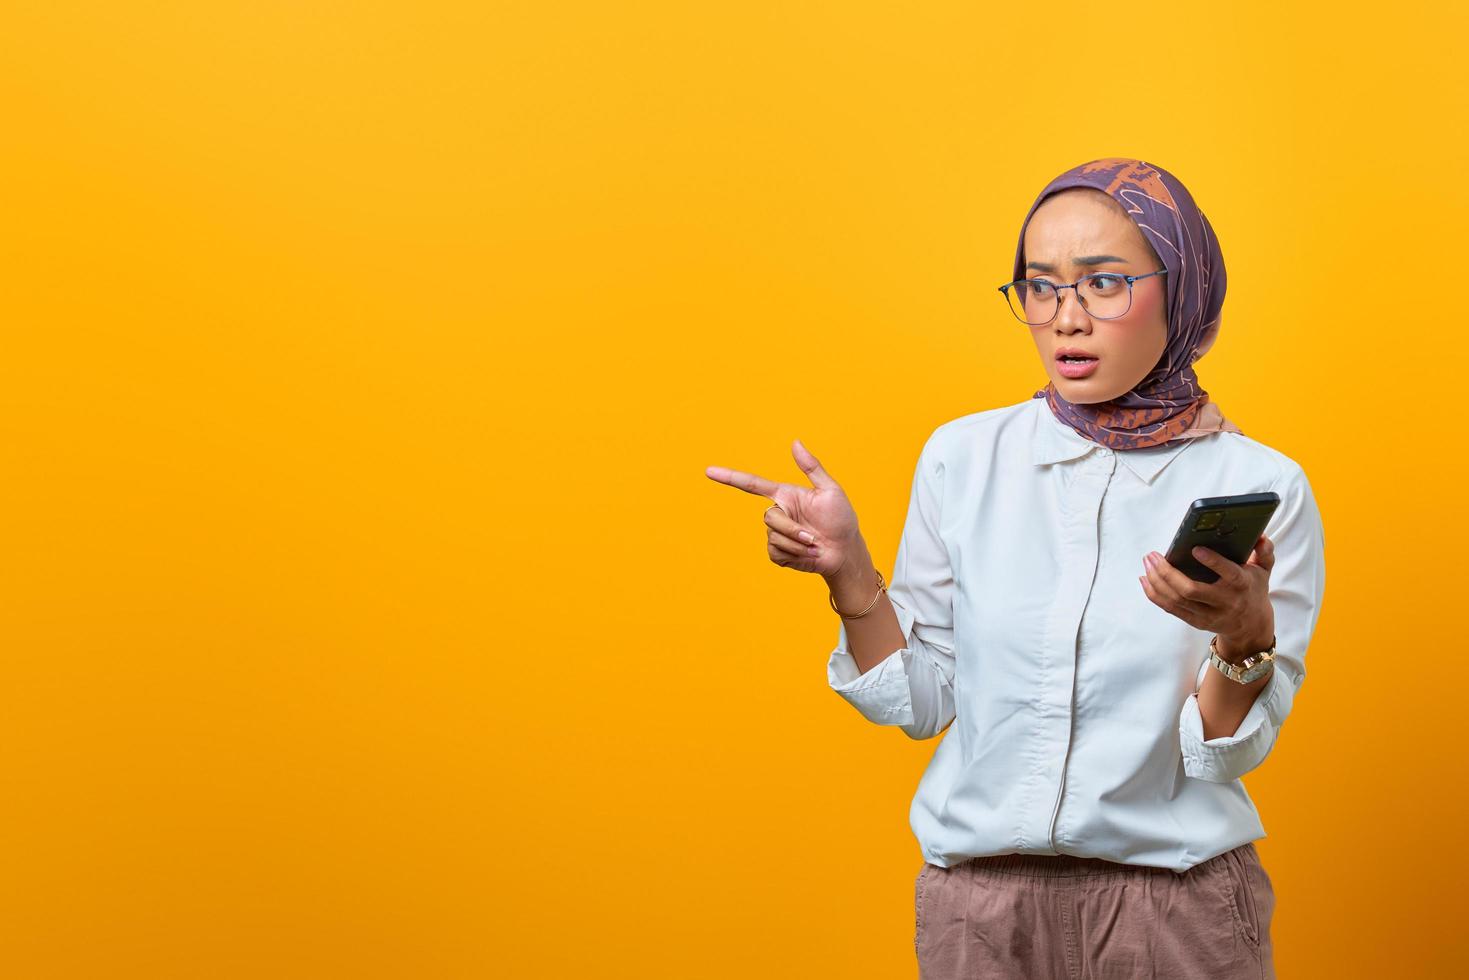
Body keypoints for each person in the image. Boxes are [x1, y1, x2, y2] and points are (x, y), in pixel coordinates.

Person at [705, 157, 1325, 978]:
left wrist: (1243, 636)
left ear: (1182, 287)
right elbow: (923, 703)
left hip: (1171, 913)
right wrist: (848, 575)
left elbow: (1221, 753)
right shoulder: (962, 458)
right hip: (981, 920)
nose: (1065, 317)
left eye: (1103, 283)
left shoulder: (1258, 486)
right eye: (1039, 286)